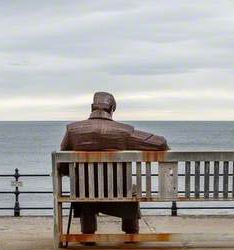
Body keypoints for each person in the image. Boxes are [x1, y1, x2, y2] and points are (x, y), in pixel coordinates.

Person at [60, 91, 168, 235]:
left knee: (83, 186)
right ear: (112, 109)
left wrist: (73, 174)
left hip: (84, 193)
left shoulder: (72, 130)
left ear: (92, 107)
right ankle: (131, 231)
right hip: (119, 192)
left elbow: (62, 165)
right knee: (131, 187)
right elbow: (160, 143)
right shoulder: (124, 132)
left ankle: (88, 233)